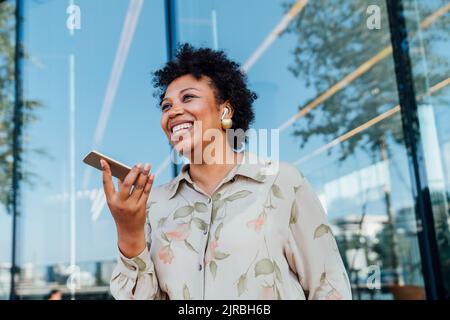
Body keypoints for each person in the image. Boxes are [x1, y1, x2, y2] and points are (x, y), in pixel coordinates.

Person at [103, 44, 351, 300]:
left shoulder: (283, 183)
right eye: (166, 106)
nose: (173, 111)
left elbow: (329, 287)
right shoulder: (154, 204)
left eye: (188, 98)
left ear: (225, 110)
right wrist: (129, 232)